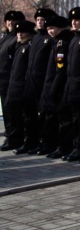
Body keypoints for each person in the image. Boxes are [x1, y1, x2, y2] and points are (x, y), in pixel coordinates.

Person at [18, 8, 57, 154]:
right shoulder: (35, 38)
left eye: (43, 19)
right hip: (31, 82)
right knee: (30, 115)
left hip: (43, 82)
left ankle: (46, 142)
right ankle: (31, 141)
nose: (40, 22)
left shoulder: (50, 38)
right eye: (38, 20)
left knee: (45, 116)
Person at [38, 14, 76, 158]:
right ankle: (55, 145)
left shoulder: (62, 43)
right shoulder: (56, 41)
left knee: (63, 120)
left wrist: (54, 89)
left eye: (52, 28)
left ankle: (63, 147)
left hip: (60, 87)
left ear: (60, 28)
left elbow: (60, 69)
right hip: (52, 84)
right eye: (48, 29)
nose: (50, 31)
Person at [61, 7, 80, 162]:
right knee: (74, 118)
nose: (73, 23)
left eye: (77, 20)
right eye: (72, 20)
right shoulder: (74, 38)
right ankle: (76, 147)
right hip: (71, 84)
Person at [3, 18, 33, 152]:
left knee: (24, 116)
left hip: (23, 85)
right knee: (12, 112)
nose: (20, 35)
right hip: (14, 84)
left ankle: (22, 140)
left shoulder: (29, 46)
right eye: (18, 32)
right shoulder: (19, 46)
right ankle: (14, 139)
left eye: (23, 32)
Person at [0, 10, 26, 151]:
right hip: (3, 79)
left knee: (13, 111)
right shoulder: (5, 37)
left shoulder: (17, 39)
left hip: (12, 79)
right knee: (7, 110)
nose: (11, 23)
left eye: (14, 21)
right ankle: (10, 135)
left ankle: (14, 138)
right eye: (9, 20)